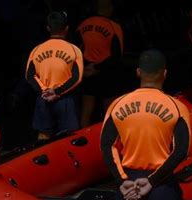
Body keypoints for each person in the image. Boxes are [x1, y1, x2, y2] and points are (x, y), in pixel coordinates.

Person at [100, 49, 191, 200]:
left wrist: (122, 181)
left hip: (129, 181)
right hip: (160, 183)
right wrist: (152, 181)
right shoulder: (177, 107)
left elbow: (106, 146)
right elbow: (181, 152)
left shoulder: (117, 104)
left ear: (139, 72)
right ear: (165, 73)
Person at [25, 11, 84, 140]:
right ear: (67, 29)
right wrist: (57, 92)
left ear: (48, 28)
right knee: (70, 138)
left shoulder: (36, 50)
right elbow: (77, 77)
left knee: (43, 135)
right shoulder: (74, 49)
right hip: (65, 99)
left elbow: (30, 76)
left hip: (43, 98)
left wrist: (45, 91)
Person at [76, 0, 124, 127]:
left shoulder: (82, 25)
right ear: (109, 7)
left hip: (87, 73)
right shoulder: (114, 26)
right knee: (110, 112)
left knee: (86, 112)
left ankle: (83, 140)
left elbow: (75, 50)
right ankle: (110, 141)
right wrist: (98, 67)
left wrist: (84, 68)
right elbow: (117, 55)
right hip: (107, 73)